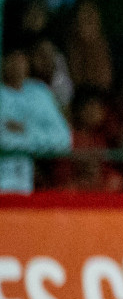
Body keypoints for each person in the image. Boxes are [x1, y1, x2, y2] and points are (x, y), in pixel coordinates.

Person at [1, 35, 71, 193]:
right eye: (11, 59)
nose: (16, 65)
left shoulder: (40, 92)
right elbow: (4, 139)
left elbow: (63, 139)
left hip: (29, 182)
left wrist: (27, 132)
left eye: (21, 59)